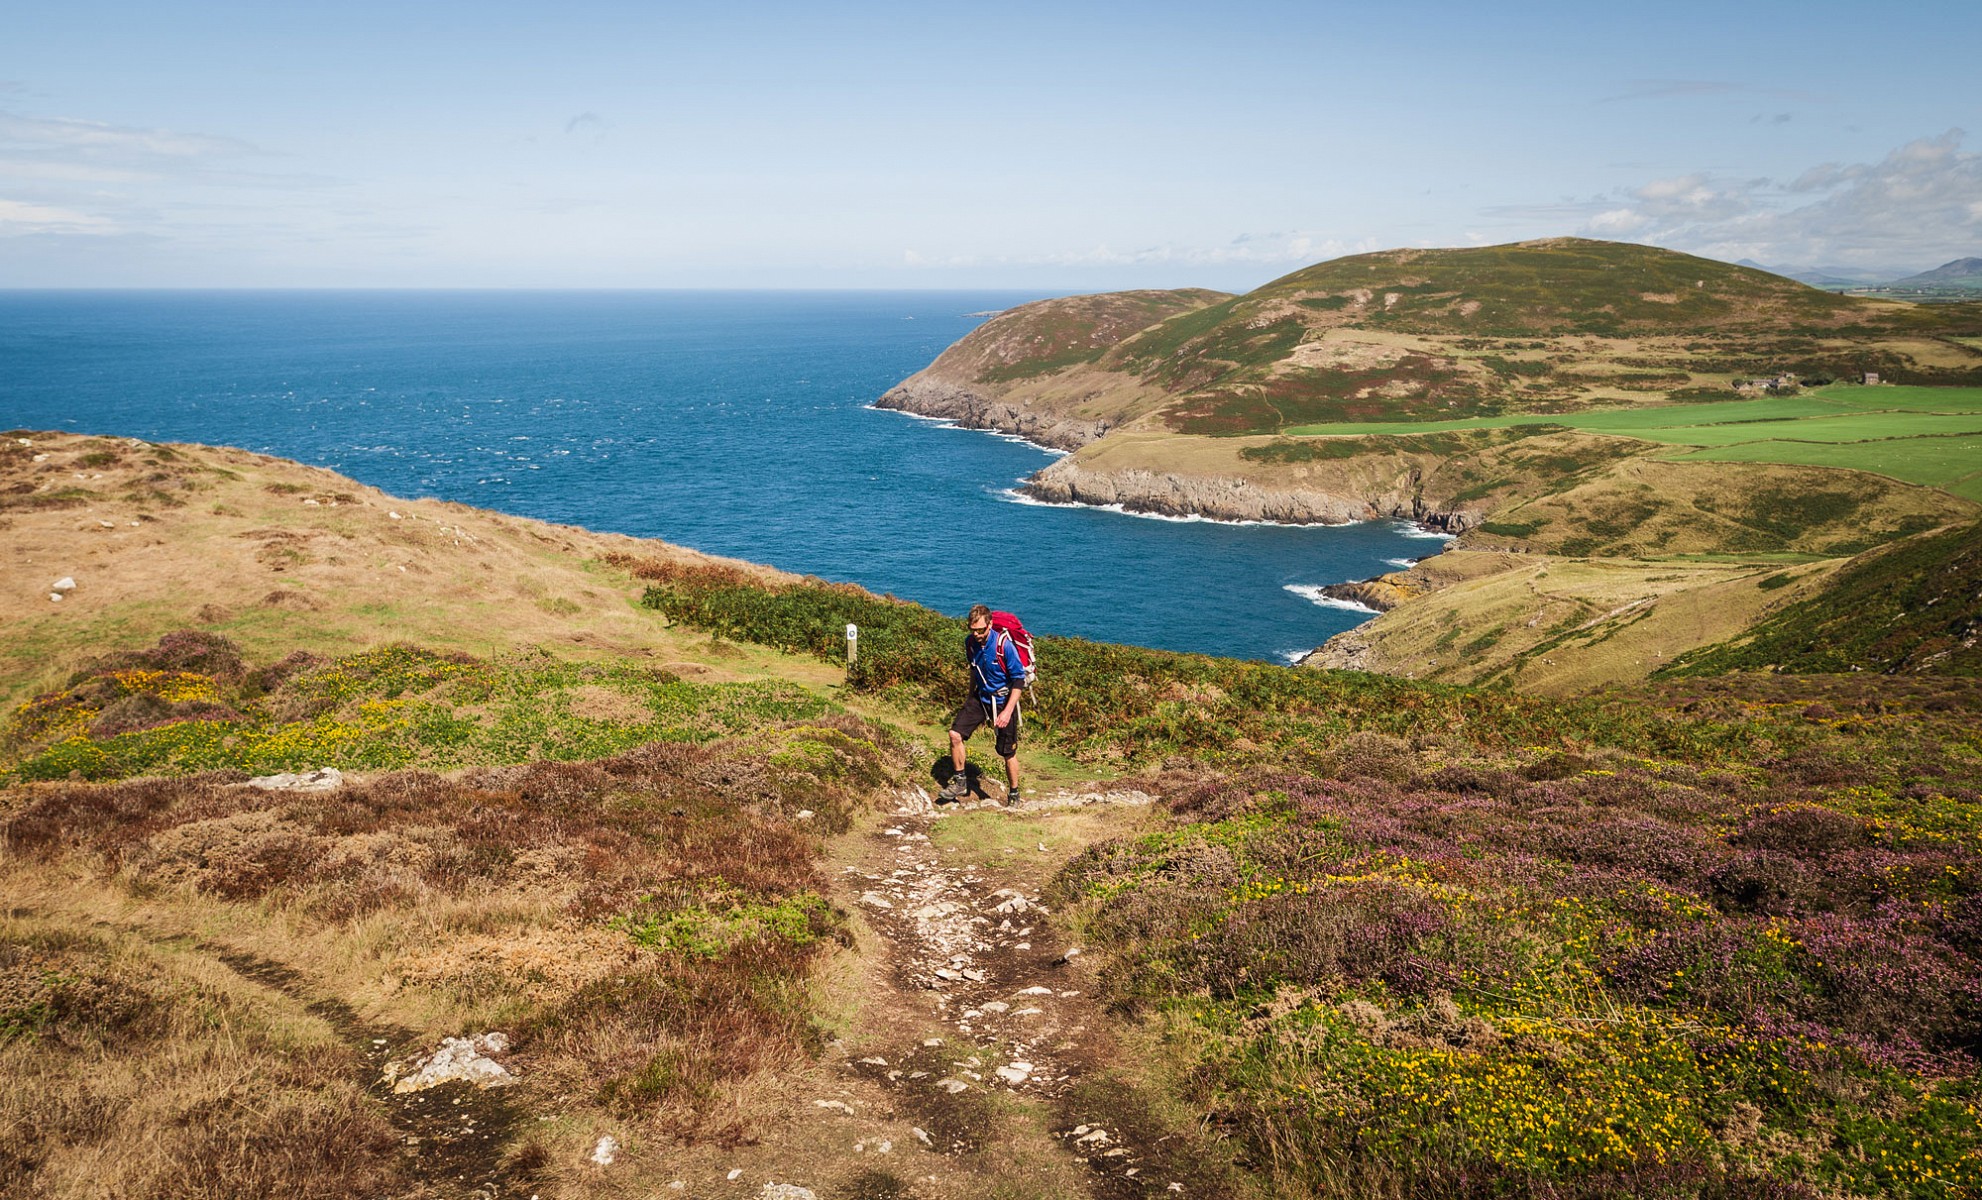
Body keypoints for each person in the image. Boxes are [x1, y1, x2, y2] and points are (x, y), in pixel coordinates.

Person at [938, 604, 1024, 805]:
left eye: (980, 630)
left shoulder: (1004, 646)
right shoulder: (970, 644)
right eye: (972, 630)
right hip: (980, 698)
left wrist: (1007, 712)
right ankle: (960, 781)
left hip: (1003, 701)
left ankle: (1014, 794)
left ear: (990, 625)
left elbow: (1019, 680)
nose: (976, 634)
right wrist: (970, 697)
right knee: (955, 734)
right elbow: (974, 671)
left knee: (1007, 752)